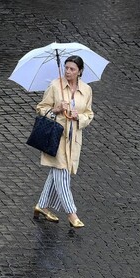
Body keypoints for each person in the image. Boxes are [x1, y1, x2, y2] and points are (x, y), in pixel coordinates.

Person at [32, 55, 94, 228]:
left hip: (74, 140)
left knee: (58, 172)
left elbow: (89, 114)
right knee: (62, 174)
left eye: (72, 69)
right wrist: (56, 110)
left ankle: (42, 206)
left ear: (79, 71)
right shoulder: (54, 86)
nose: (68, 71)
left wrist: (78, 116)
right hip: (56, 138)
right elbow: (41, 109)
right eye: (66, 68)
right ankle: (71, 213)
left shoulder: (87, 90)